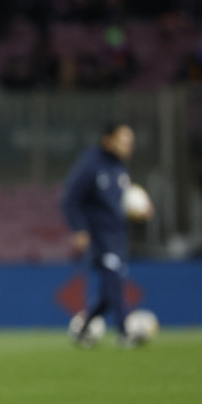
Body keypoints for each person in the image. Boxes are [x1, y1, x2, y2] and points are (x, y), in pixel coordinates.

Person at [60, 123, 152, 348]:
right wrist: (80, 228)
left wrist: (139, 211)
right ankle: (126, 331)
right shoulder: (91, 165)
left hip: (118, 237)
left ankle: (83, 330)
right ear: (107, 141)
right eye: (124, 140)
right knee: (115, 281)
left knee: (108, 293)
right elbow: (70, 199)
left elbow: (119, 204)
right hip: (100, 237)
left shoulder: (119, 169)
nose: (129, 145)